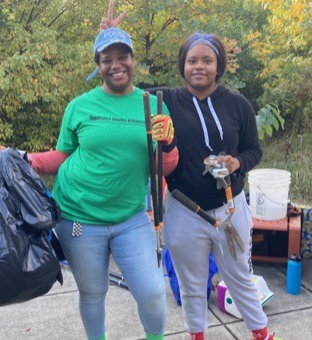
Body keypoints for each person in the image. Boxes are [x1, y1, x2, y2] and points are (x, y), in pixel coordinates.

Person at [101, 3, 281, 340]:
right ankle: (196, 335)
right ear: (183, 65)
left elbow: (254, 150)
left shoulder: (238, 104)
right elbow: (121, 80)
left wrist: (236, 162)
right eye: (192, 60)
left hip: (231, 208)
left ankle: (262, 335)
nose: (199, 66)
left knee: (241, 276)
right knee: (191, 282)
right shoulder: (164, 99)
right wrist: (109, 44)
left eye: (207, 60)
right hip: (184, 209)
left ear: (218, 66)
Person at [26, 24, 179, 340]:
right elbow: (62, 156)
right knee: (93, 293)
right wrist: (23, 159)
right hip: (78, 219)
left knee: (151, 291)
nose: (116, 65)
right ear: (98, 66)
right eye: (106, 59)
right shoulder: (80, 106)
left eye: (122, 56)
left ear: (133, 60)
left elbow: (164, 167)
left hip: (130, 217)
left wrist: (169, 144)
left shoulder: (153, 106)